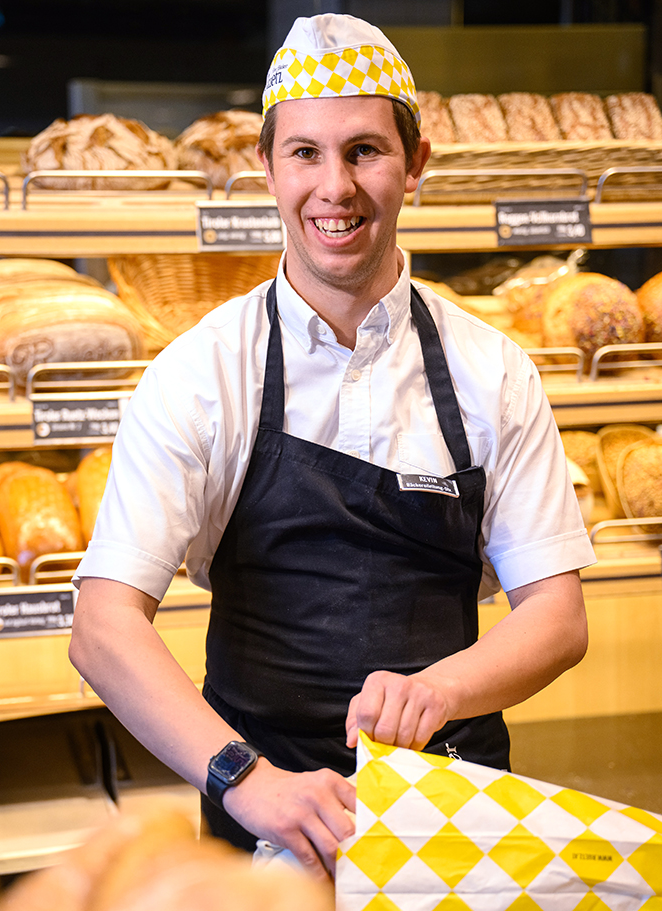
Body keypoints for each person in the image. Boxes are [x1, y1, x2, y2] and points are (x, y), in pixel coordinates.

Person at [69, 13, 595, 883]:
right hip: (259, 809)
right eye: (305, 154)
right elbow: (102, 626)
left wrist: (442, 689)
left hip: (454, 809)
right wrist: (247, 780)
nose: (334, 187)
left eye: (364, 151)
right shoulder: (202, 372)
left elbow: (556, 616)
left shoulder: (491, 370)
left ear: (414, 165)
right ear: (268, 170)